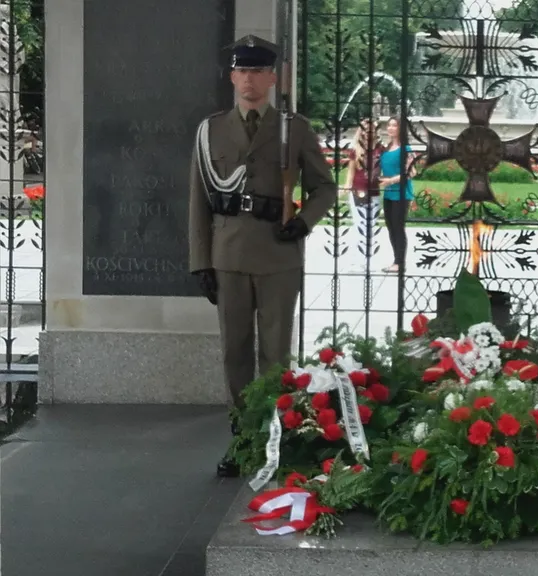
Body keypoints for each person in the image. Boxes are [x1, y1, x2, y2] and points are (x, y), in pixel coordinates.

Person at [188, 34, 337, 478]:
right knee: (235, 352)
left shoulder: (295, 128)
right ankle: (243, 437)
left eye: (258, 70)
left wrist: (305, 220)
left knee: (275, 354)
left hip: (277, 256)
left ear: (272, 77)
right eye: (242, 70)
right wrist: (201, 261)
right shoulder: (210, 129)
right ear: (232, 76)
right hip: (228, 255)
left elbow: (325, 186)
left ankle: (274, 437)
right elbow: (198, 199)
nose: (249, 78)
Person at [341, 118, 383, 272]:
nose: (369, 133)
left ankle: (368, 260)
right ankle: (356, 260)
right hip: (357, 191)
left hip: (374, 192)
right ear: (362, 131)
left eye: (372, 130)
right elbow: (351, 171)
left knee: (370, 226)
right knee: (359, 225)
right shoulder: (356, 150)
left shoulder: (380, 149)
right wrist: (347, 186)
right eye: (366, 129)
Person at [378, 115, 417, 273]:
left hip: (401, 193)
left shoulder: (406, 149)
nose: (390, 128)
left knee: (398, 227)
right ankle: (396, 261)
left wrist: (391, 180)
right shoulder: (386, 149)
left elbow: (412, 172)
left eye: (394, 125)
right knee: (391, 227)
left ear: (400, 129)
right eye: (389, 125)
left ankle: (400, 263)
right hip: (388, 193)